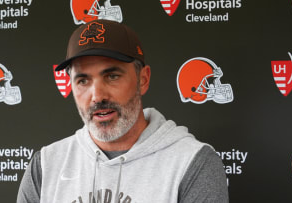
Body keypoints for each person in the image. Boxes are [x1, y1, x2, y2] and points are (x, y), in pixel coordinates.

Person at [17, 19, 229, 203]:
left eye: (112, 76)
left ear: (142, 80)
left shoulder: (193, 162)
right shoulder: (45, 165)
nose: (97, 96)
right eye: (83, 80)